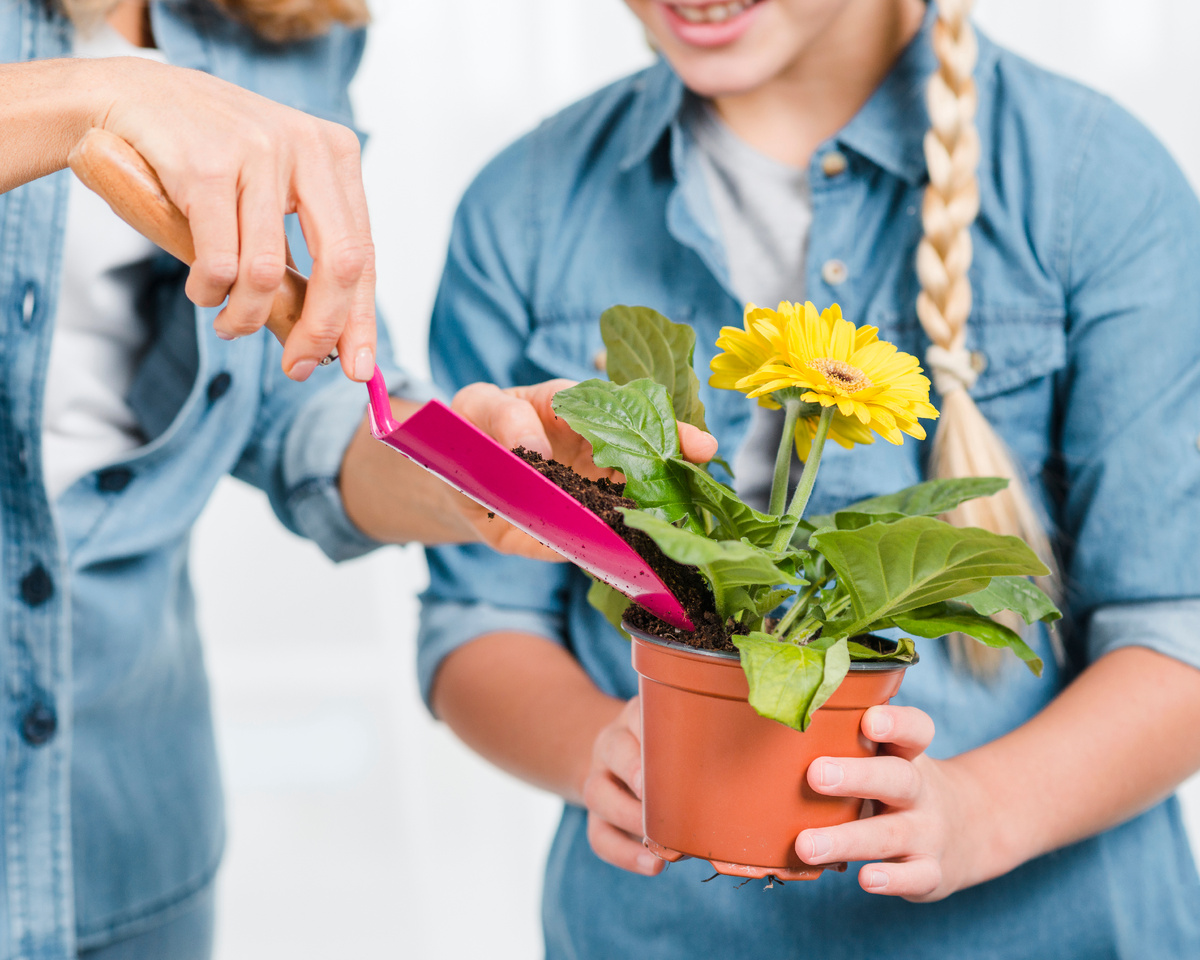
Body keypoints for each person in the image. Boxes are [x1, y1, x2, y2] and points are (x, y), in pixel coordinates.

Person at [419, 0, 1200, 956]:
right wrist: (604, 752)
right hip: (664, 930)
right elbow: (479, 623)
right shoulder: (525, 205)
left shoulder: (1095, 184)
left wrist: (978, 810)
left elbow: (1177, 627)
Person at [0, 1, 718, 957]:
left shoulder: (288, 22)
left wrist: (463, 467)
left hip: (125, 831)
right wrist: (95, 95)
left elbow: (290, 407)